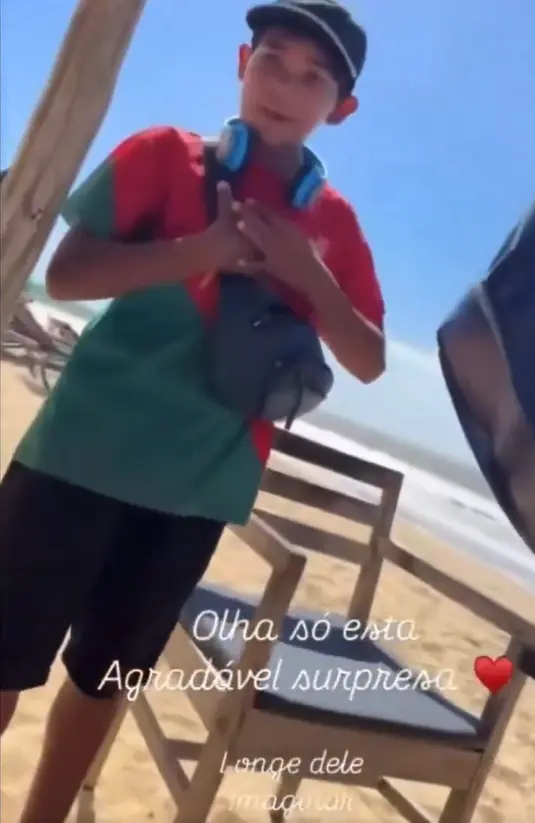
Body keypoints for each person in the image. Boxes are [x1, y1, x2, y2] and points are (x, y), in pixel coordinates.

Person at [0, 1, 386, 820]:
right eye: (272, 60)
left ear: (341, 109)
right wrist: (203, 252)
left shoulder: (336, 224)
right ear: (242, 63)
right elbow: (66, 276)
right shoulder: (161, 156)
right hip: (77, 454)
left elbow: (369, 358)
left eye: (312, 77)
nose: (284, 86)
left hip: (197, 491)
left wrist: (308, 274)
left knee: (104, 680)